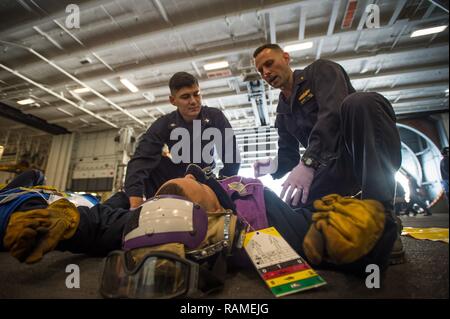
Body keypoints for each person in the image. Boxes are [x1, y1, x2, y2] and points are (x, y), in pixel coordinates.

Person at [1, 168, 397, 298]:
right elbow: (102, 224)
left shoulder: (262, 208)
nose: (160, 209)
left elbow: (101, 226)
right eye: (162, 209)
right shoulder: (259, 225)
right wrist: (67, 220)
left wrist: (371, 234)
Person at [124, 72, 240, 209]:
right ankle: (154, 207)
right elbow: (140, 160)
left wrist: (224, 183)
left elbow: (230, 154)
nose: (193, 101)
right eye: (185, 97)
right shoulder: (164, 124)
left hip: (204, 177)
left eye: (196, 94)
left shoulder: (215, 116)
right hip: (176, 177)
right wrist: (135, 204)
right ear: (173, 101)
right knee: (154, 162)